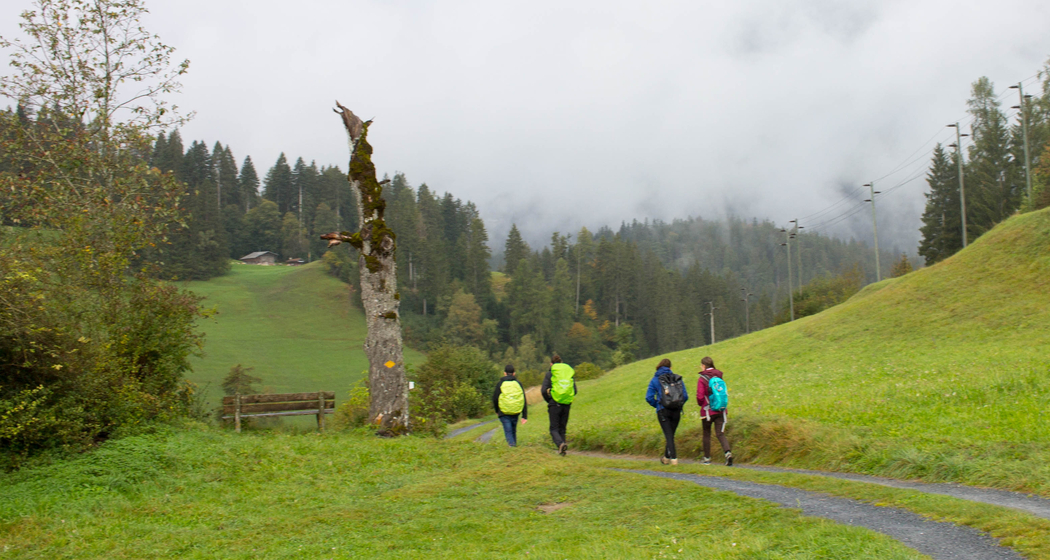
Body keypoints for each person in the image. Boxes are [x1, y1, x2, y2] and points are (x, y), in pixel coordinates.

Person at [645, 358, 687, 465]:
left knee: (669, 435)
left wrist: (658, 405)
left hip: (663, 411)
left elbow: (649, 397)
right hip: (676, 410)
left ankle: (674, 458)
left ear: (658, 367)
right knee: (671, 434)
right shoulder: (677, 378)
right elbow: (685, 396)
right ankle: (666, 458)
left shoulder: (655, 379)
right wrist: (678, 404)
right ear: (670, 368)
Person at [697, 356, 732, 466]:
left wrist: (701, 405)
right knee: (720, 433)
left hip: (708, 411)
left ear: (703, 366)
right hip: (721, 409)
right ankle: (728, 453)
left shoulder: (702, 379)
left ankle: (707, 458)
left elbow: (700, 396)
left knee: (706, 434)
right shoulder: (719, 376)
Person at [541, 354, 576, 455]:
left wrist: (550, 400)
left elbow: (543, 390)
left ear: (551, 364)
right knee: (562, 428)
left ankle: (560, 444)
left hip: (555, 403)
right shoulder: (568, 372)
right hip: (567, 403)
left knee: (553, 429)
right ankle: (563, 450)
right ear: (561, 362)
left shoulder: (550, 373)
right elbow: (575, 390)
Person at [492, 364, 528, 446]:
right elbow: (523, 399)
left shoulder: (500, 383)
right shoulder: (518, 383)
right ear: (514, 373)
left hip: (504, 412)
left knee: (508, 430)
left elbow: (495, 398)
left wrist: (497, 410)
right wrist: (524, 415)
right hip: (515, 411)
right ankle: (513, 445)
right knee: (513, 430)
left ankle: (512, 446)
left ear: (504, 373)